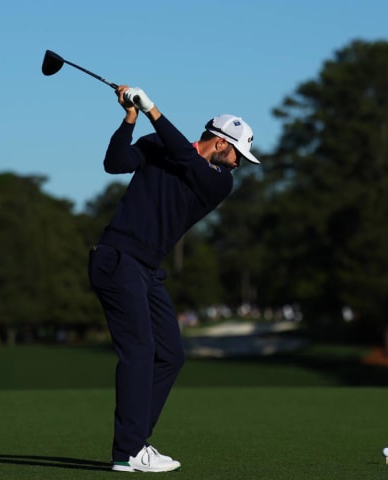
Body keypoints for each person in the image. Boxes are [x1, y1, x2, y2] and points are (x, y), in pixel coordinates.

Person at [88, 84, 260, 473]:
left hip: (145, 270)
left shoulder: (218, 181)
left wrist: (151, 108)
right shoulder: (159, 145)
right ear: (220, 143)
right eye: (238, 155)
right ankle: (128, 451)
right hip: (118, 259)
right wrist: (130, 117)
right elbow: (115, 163)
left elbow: (185, 155)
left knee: (170, 354)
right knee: (138, 351)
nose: (238, 164)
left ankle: (133, 444)